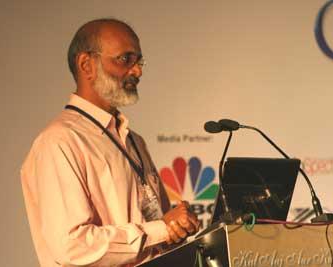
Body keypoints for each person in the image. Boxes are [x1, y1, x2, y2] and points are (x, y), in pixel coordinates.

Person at [21, 18, 200, 267]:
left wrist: (177, 227)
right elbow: (72, 247)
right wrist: (160, 229)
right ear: (87, 65)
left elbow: (157, 228)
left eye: (139, 61)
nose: (137, 71)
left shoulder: (134, 140)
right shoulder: (59, 141)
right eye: (125, 59)